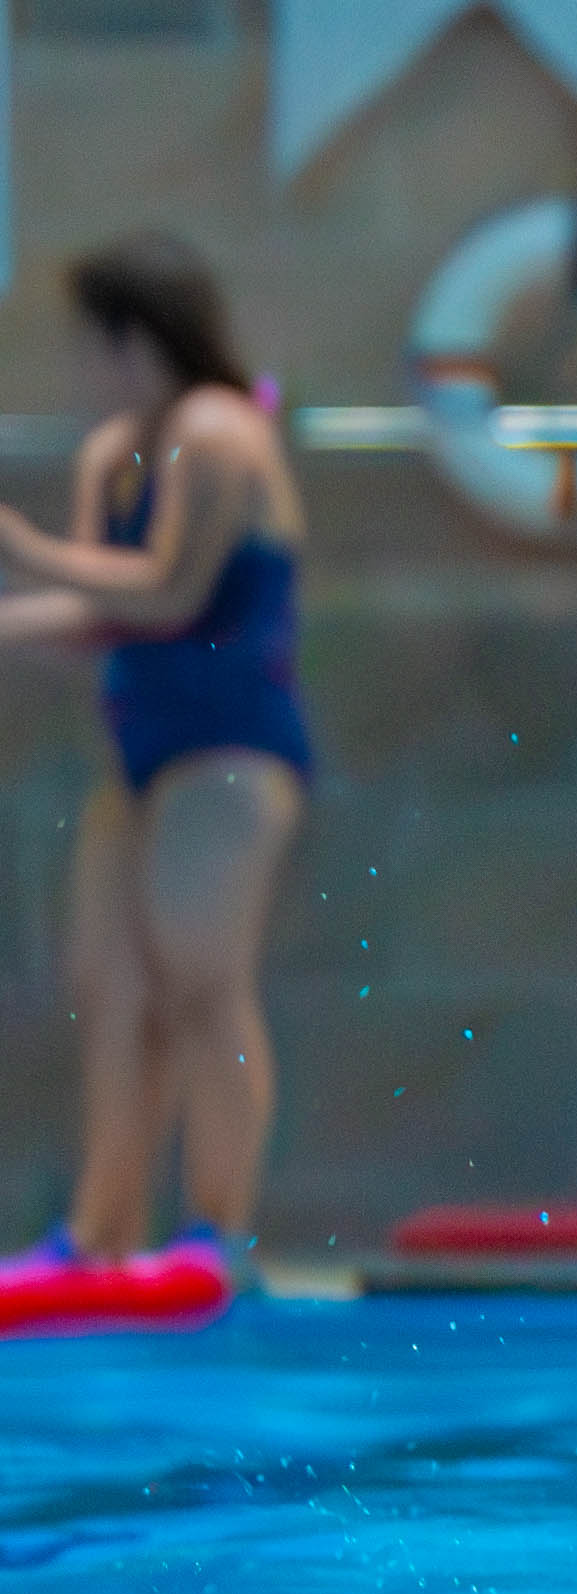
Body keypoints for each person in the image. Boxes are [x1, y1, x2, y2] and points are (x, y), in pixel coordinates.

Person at [0, 235, 309, 1323]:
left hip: (231, 749)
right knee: (114, 989)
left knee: (202, 980)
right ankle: (101, 1235)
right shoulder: (114, 454)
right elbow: (104, 613)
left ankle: (221, 1232)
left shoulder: (221, 433)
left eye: (88, 345)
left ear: (135, 340)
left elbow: (171, 592)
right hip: (139, 751)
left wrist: (22, 548)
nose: (80, 369)